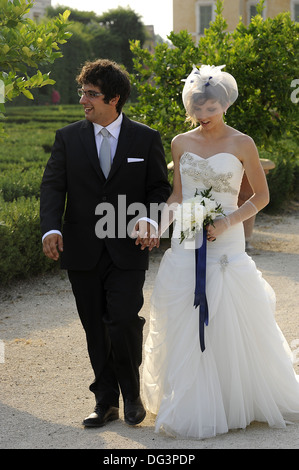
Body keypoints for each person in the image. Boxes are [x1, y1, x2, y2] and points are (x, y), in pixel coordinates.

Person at [141, 65, 299, 439]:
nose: (205, 116)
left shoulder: (243, 143)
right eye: (199, 109)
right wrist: (157, 227)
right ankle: (192, 399)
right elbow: (178, 196)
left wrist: (229, 221)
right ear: (190, 108)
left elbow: (262, 197)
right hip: (185, 239)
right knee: (181, 313)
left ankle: (235, 398)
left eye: (211, 109)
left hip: (226, 241)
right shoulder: (181, 142)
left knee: (231, 314)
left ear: (224, 105)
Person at [40, 59, 171, 428]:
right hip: (81, 248)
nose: (84, 99)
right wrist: (51, 228)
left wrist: (148, 218)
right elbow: (52, 185)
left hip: (129, 247)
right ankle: (105, 401)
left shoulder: (145, 138)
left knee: (123, 320)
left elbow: (159, 187)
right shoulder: (68, 137)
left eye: (92, 94)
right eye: (82, 92)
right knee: (94, 327)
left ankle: (131, 395)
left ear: (114, 98)